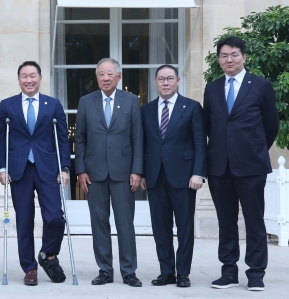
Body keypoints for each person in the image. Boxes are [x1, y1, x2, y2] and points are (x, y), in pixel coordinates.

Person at [203, 36, 279, 292]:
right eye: (224, 55)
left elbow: (271, 125)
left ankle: (256, 272)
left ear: (244, 57)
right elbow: (208, 126)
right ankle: (228, 272)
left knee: (254, 220)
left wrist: (253, 150)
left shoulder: (261, 85)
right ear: (219, 59)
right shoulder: (212, 88)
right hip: (219, 168)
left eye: (234, 54)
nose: (229, 60)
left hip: (251, 167)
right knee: (226, 222)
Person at [0, 61, 70, 286]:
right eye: (24, 76)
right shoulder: (7, 105)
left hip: (48, 168)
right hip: (20, 169)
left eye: (33, 75)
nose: (29, 80)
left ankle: (48, 254)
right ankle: (29, 268)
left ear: (40, 78)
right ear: (19, 79)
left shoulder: (53, 104)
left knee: (55, 217)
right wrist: (2, 167)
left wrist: (64, 168)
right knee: (24, 220)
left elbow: (63, 139)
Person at [74, 58, 143, 287]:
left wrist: (137, 170)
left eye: (110, 74)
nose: (105, 78)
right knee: (99, 223)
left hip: (124, 173)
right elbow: (80, 138)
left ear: (118, 77)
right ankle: (104, 270)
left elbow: (138, 139)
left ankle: (128, 271)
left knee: (125, 224)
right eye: (101, 74)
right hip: (94, 174)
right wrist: (81, 170)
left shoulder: (132, 101)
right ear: (97, 77)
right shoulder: (86, 101)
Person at [139, 65, 206, 288]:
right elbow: (144, 144)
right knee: (160, 228)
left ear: (178, 80)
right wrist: (141, 172)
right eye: (161, 79)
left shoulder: (192, 107)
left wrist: (199, 173)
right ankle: (166, 272)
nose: (165, 83)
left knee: (185, 227)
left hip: (185, 177)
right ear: (155, 82)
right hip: (155, 177)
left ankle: (183, 273)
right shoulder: (146, 109)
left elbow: (200, 143)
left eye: (169, 78)